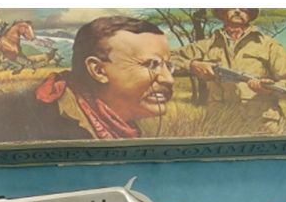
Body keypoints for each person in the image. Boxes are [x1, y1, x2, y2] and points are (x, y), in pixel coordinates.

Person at [20, 15, 175, 139]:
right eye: (151, 64)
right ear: (98, 71)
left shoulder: (124, 126)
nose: (169, 79)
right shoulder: (43, 121)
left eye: (168, 66)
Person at [171, 8, 286, 134]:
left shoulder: (270, 45)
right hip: (219, 126)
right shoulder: (206, 45)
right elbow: (166, 58)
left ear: (250, 13)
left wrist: (270, 89)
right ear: (222, 11)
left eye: (244, 7)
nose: (238, 10)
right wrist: (192, 65)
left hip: (263, 126)